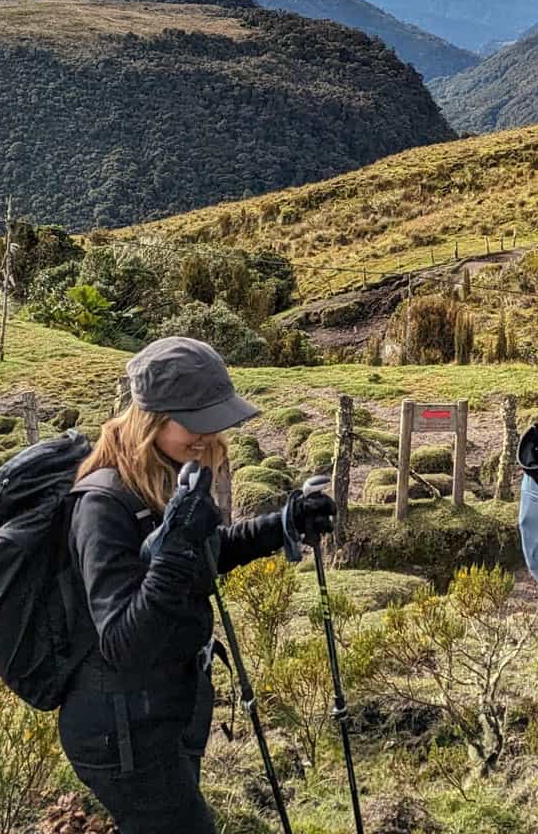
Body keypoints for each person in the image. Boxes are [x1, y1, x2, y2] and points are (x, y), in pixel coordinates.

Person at [62, 337, 336, 834]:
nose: (211, 435)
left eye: (217, 419)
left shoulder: (166, 476)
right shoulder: (102, 502)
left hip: (164, 711)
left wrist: (281, 524)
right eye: (197, 420)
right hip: (118, 730)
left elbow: (202, 558)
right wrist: (176, 546)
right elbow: (122, 641)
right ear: (151, 418)